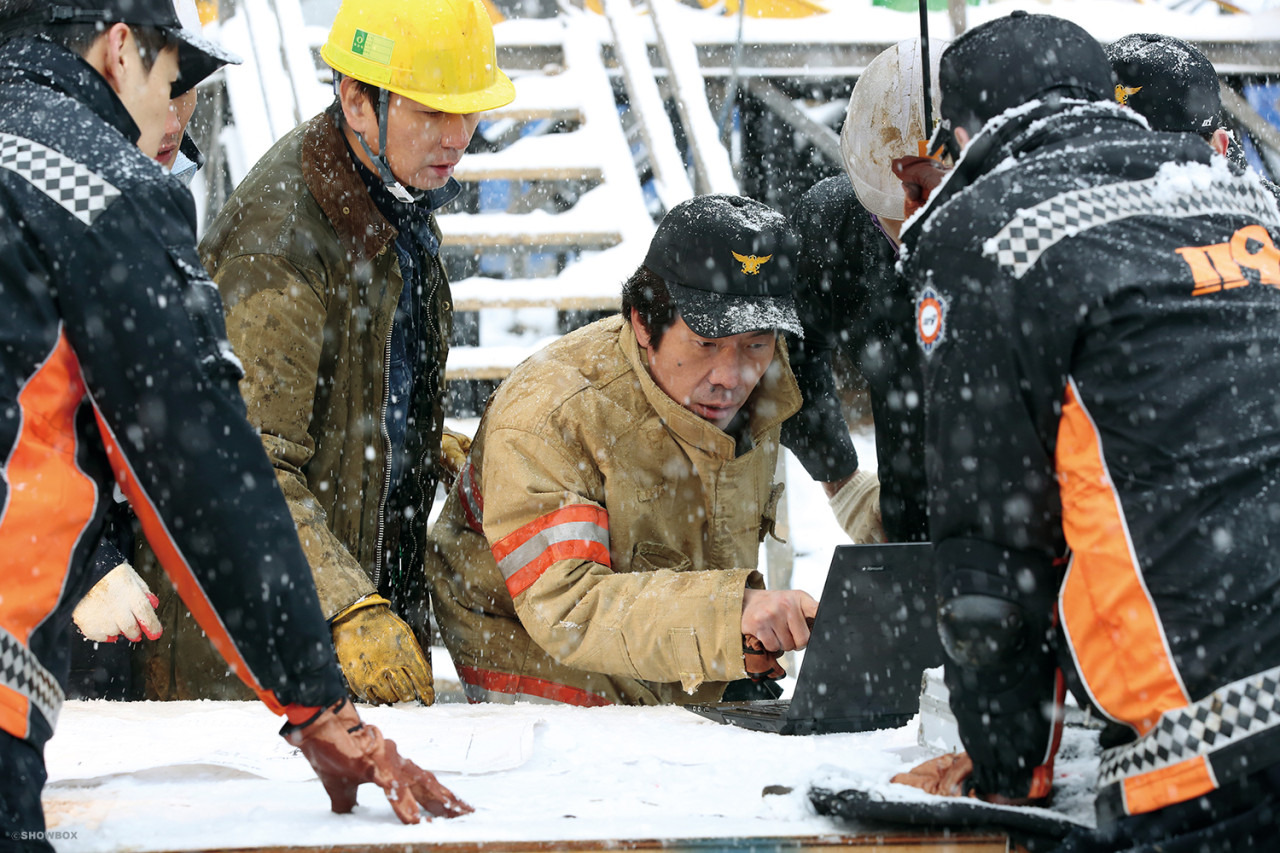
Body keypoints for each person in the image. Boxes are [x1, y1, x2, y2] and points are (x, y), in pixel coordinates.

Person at [0, 0, 471, 847]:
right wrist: (317, 701)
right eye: (176, 81)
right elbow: (204, 467)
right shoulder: (102, 186)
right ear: (120, 50)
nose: (178, 114)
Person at [890, 12, 1280, 850]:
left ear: (961, 135)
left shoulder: (992, 235)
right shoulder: (1247, 197)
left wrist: (1005, 766)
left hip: (1222, 746)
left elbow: (992, 555)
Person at [134, 0, 517, 707]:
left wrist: (418, 440)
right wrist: (347, 604)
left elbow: (350, 376)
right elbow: (242, 461)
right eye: (433, 112)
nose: (458, 136)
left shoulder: (389, 197)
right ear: (356, 102)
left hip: (330, 622)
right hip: (250, 652)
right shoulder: (281, 242)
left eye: (469, 113)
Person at [427, 194, 820, 706]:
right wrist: (727, 615)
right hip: (542, 674)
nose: (732, 377)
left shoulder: (760, 388)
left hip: (674, 662)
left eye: (755, 343)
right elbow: (571, 606)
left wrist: (733, 639)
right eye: (705, 342)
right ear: (642, 320)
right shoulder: (550, 414)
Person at [67, 0, 224, 702]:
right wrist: (82, 559)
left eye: (186, 87)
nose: (173, 113)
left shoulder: (165, 203)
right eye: (161, 80)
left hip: (136, 595)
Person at [782, 37, 946, 545]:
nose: (913, 235)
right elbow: (786, 351)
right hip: (909, 511)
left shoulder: (1041, 231)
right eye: (894, 219)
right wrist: (840, 476)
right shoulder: (834, 229)